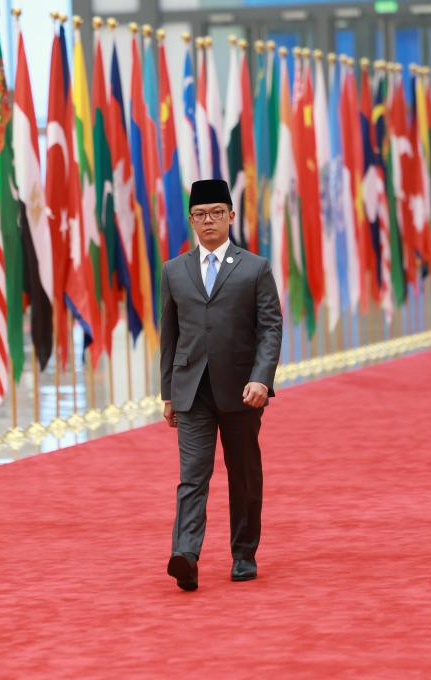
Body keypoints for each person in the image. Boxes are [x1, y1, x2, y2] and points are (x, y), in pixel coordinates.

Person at [159, 179, 283, 592]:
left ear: (231, 216)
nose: (208, 220)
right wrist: (168, 393)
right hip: (192, 391)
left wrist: (261, 378)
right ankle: (186, 555)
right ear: (191, 220)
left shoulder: (255, 268)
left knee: (243, 473)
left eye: (215, 212)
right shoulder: (174, 271)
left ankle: (243, 553)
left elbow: (270, 328)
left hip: (242, 391)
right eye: (200, 214)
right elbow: (169, 335)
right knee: (192, 475)